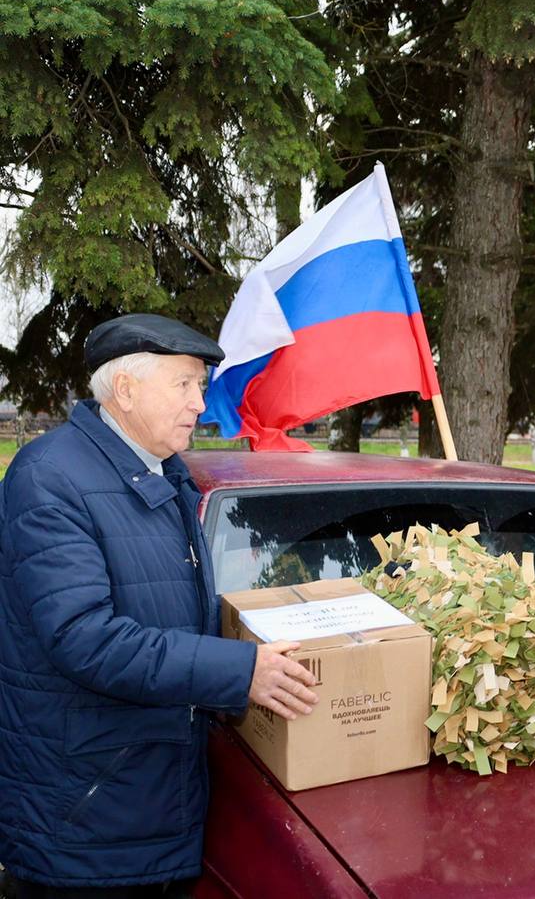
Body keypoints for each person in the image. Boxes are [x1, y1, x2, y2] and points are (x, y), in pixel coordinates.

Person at [0, 314, 320, 898]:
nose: (200, 403)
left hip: (147, 802)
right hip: (86, 823)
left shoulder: (162, 472)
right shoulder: (49, 477)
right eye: (184, 384)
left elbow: (177, 612)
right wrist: (242, 671)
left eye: (201, 385)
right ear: (125, 390)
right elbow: (84, 638)